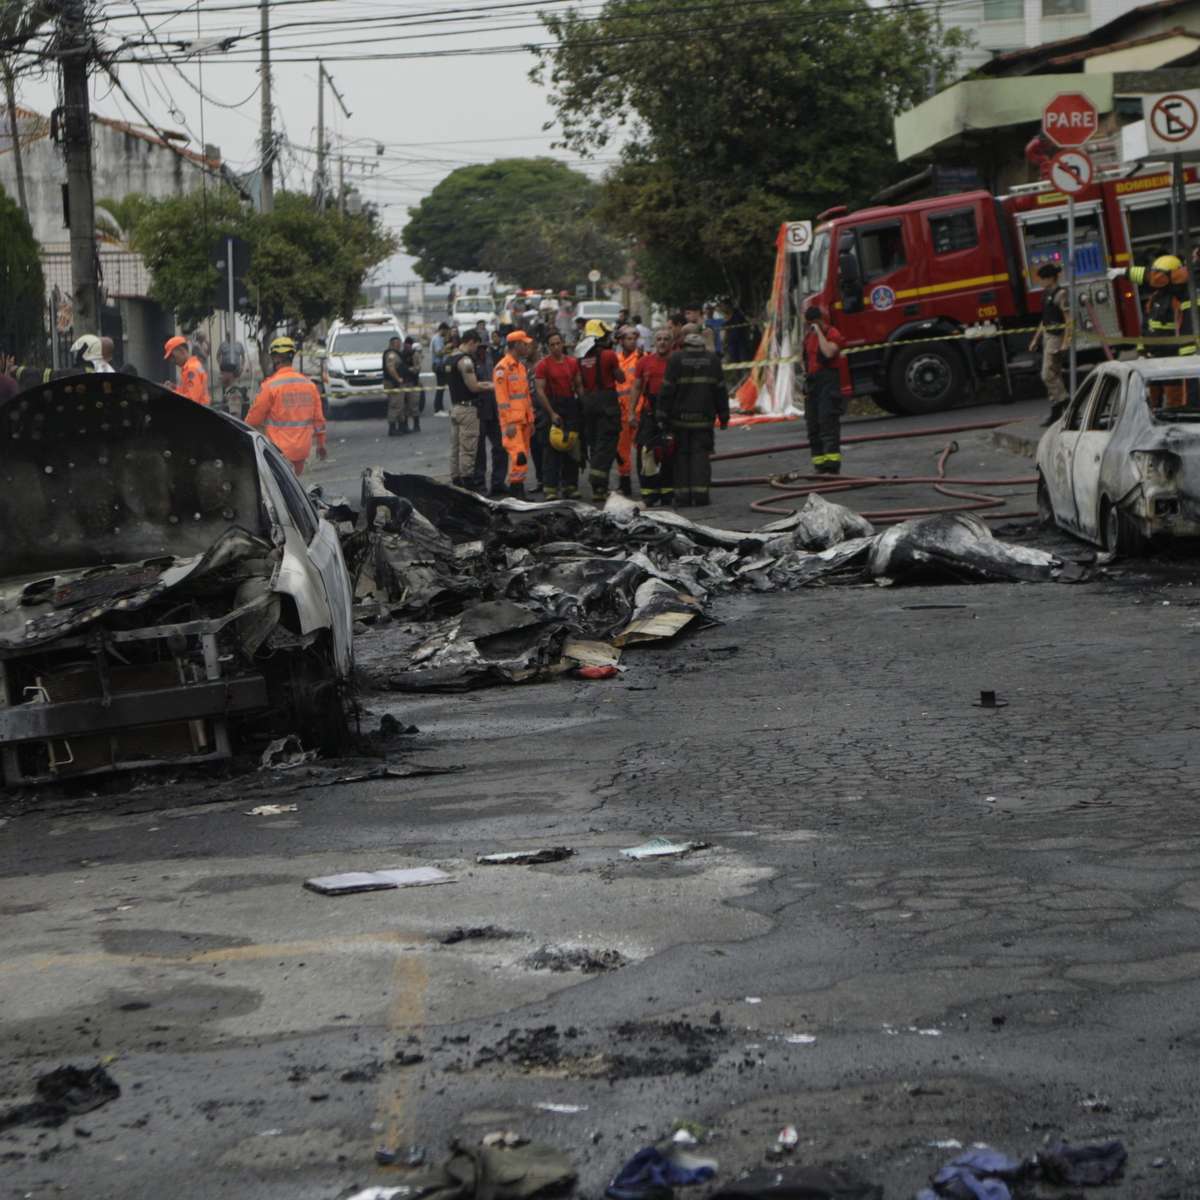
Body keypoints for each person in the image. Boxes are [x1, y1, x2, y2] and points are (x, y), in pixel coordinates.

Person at [656, 324, 728, 506]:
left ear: (684, 342)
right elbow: (720, 391)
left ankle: (682, 497)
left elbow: (667, 390)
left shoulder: (676, 359)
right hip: (704, 421)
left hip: (679, 420)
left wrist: (661, 415)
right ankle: (701, 495)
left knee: (681, 457)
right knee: (701, 457)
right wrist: (724, 415)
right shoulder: (712, 360)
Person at [245, 335, 327, 476]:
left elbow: (253, 420)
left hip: (278, 452)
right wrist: (321, 444)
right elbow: (319, 420)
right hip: (302, 451)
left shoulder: (270, 386)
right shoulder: (309, 385)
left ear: (276, 359)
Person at [577, 319, 625, 502]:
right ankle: (598, 484)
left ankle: (599, 488)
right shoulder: (609, 355)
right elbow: (620, 378)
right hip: (607, 405)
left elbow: (579, 383)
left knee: (594, 443)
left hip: (588, 405)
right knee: (607, 445)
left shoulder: (580, 357)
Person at [534, 331, 583, 499]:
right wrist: (551, 413)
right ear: (548, 347)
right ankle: (551, 488)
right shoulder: (543, 365)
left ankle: (570, 485)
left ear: (563, 344)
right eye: (552, 344)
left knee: (571, 446)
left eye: (558, 343)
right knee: (551, 449)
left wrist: (583, 406)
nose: (555, 347)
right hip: (552, 406)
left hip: (570, 407)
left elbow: (578, 386)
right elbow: (540, 391)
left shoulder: (572, 363)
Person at [629, 328, 674, 506]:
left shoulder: (677, 362)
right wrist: (632, 412)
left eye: (666, 339)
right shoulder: (644, 362)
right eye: (659, 339)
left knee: (669, 453)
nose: (662, 342)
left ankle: (667, 491)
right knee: (645, 452)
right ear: (654, 342)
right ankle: (649, 492)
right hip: (649, 413)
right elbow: (636, 388)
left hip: (671, 413)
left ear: (671, 342)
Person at [445, 329, 494, 489]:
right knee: (468, 448)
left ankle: (456, 480)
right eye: (476, 345)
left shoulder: (451, 356)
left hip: (455, 408)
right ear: (471, 342)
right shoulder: (465, 361)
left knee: (455, 447)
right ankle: (467, 483)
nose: (476, 350)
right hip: (468, 410)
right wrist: (491, 386)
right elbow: (473, 387)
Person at [802, 305, 847, 474]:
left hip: (828, 384)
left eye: (811, 323)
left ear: (818, 321)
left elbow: (828, 353)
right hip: (813, 385)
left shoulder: (832, 333)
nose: (809, 327)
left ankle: (832, 467)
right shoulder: (808, 337)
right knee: (813, 427)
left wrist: (819, 332)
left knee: (828, 424)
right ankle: (819, 466)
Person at [493, 329, 535, 498]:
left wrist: (531, 419)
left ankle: (518, 492)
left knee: (524, 457)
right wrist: (508, 423)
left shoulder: (521, 368)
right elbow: (502, 399)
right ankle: (516, 494)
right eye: (524, 344)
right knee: (519, 457)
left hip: (524, 420)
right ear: (516, 345)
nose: (527, 347)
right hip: (512, 423)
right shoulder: (502, 368)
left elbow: (526, 396)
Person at [1029, 262, 1070, 425]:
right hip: (1048, 335)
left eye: (1043, 279)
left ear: (1051, 278)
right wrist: (1035, 339)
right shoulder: (1046, 294)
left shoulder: (1061, 294)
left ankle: (1066, 401)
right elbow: (1044, 320)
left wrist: (1067, 340)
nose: (1040, 283)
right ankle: (1057, 411)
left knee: (1047, 374)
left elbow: (1068, 319)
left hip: (1056, 337)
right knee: (1055, 374)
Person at [615, 325, 643, 497]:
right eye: (628, 338)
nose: (632, 341)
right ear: (621, 341)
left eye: (634, 338)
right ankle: (625, 484)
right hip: (621, 412)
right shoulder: (616, 359)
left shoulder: (640, 358)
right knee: (622, 450)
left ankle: (648, 483)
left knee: (642, 448)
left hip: (638, 410)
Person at [164, 334, 209, 405]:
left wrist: (171, 392)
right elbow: (188, 392)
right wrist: (174, 388)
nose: (172, 361)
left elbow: (191, 399)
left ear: (181, 350)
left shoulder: (191, 369)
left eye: (172, 356)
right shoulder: (192, 366)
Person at [383, 335, 410, 436]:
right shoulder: (391, 354)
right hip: (393, 383)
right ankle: (392, 428)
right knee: (395, 405)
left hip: (397, 383)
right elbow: (391, 368)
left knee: (400, 405)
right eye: (398, 344)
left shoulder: (397, 353)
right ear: (392, 344)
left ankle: (401, 426)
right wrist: (398, 378)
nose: (400, 345)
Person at [431, 322, 450, 415]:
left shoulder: (440, 338)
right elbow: (438, 353)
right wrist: (447, 348)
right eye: (446, 331)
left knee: (441, 387)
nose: (446, 333)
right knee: (440, 387)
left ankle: (440, 407)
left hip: (440, 365)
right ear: (442, 330)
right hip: (438, 365)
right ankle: (437, 409)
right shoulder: (437, 339)